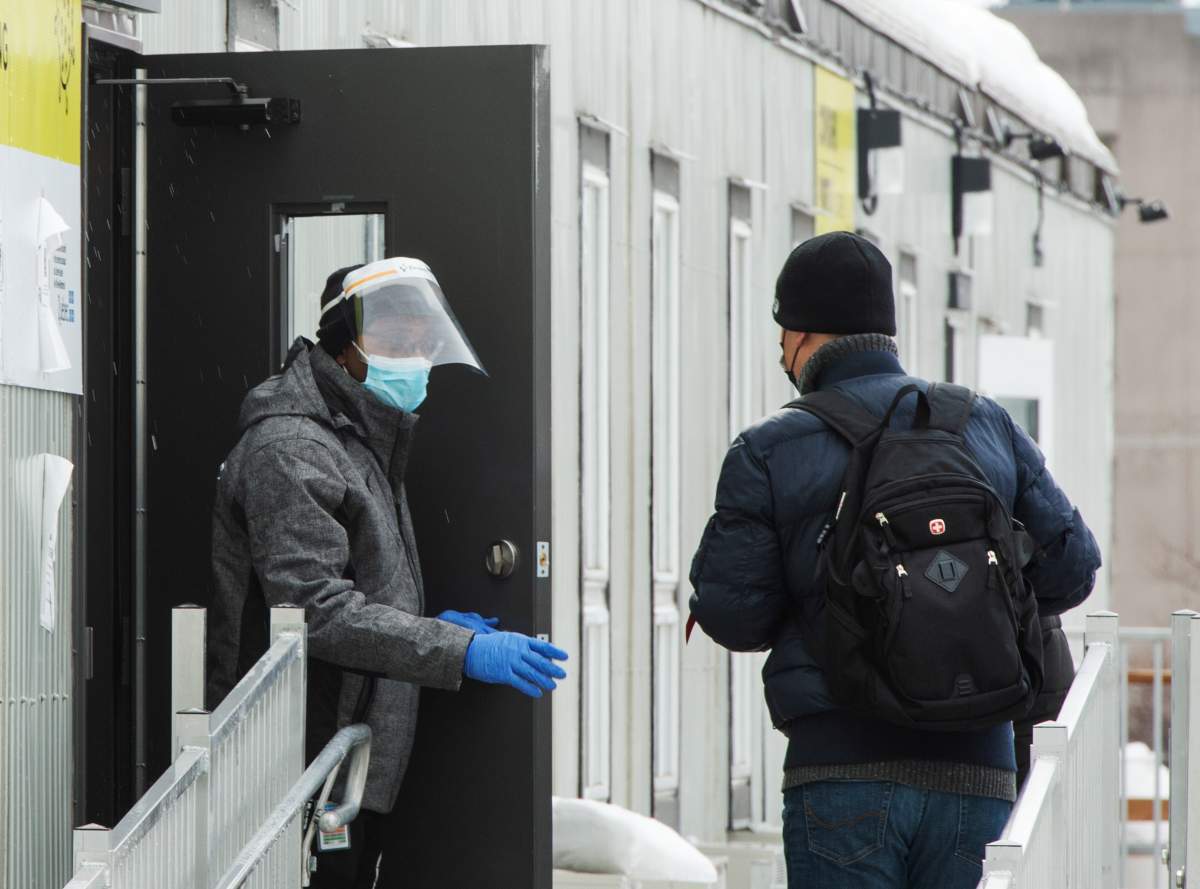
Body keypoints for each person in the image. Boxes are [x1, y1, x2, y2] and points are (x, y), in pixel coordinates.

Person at [688, 231, 1100, 889]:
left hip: (842, 768)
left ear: (802, 337)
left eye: (782, 334)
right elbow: (1073, 566)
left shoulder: (770, 449)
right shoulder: (983, 424)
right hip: (979, 767)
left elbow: (734, 615)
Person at [207, 257, 568, 887]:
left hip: (344, 765)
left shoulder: (360, 433)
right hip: (293, 764)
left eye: (422, 344)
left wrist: (422, 625)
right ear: (343, 344)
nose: (414, 358)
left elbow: (356, 585)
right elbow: (316, 614)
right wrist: (457, 649)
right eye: (394, 341)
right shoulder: (293, 448)